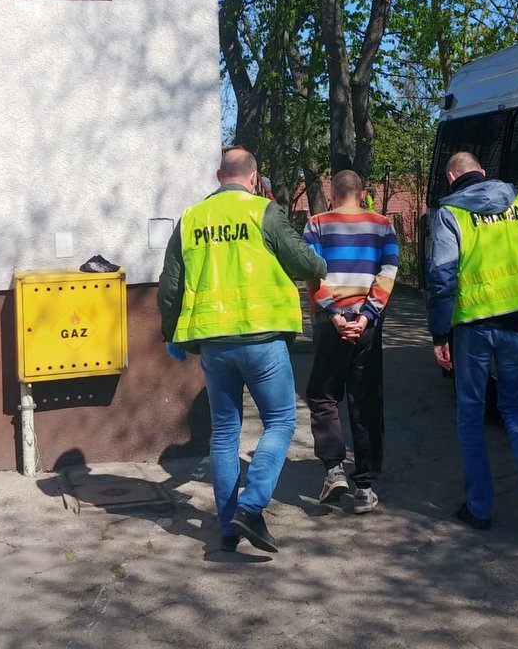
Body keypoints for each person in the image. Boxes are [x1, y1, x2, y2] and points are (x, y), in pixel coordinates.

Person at [158, 148, 326, 553]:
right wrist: (319, 265)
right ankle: (250, 508)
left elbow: (170, 286)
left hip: (215, 345)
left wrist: (170, 334)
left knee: (224, 432)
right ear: (254, 177)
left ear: (219, 176)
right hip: (263, 340)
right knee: (281, 422)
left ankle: (228, 529)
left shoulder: (191, 219)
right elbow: (303, 263)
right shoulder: (264, 212)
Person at [426, 151, 518, 534]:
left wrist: (439, 333)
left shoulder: (450, 214)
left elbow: (442, 276)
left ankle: (479, 507)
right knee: (515, 407)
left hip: (474, 325)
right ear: (483, 172)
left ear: (452, 178)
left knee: (471, 413)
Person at [302, 170, 399, 513]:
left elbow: (312, 272)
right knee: (365, 401)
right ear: (363, 193)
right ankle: (365, 488)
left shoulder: (316, 224)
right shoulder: (383, 226)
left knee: (323, 395)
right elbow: (388, 272)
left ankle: (333, 469)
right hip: (366, 326)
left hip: (330, 325)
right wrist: (366, 316)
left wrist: (334, 314)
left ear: (331, 193)